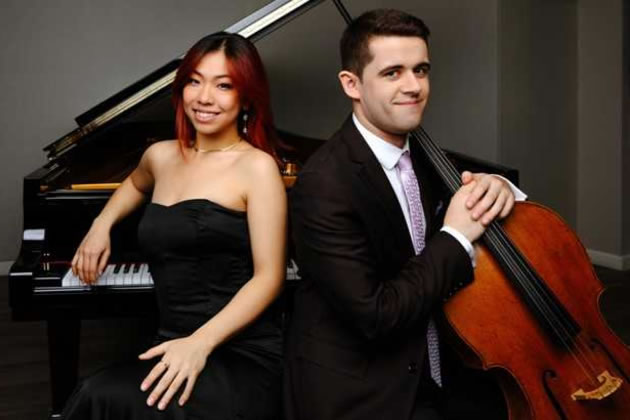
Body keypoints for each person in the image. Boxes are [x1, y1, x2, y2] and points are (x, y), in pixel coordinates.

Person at [283, 9, 526, 420]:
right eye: (392, 73)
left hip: (443, 364)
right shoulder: (323, 184)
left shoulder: (425, 156)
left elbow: (478, 188)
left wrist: (498, 186)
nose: (414, 86)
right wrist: (455, 237)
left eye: (421, 70)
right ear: (352, 84)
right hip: (363, 387)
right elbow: (376, 315)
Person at [62, 32, 286, 419]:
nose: (204, 97)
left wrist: (200, 343)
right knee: (102, 395)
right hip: (171, 341)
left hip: (239, 351)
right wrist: (101, 224)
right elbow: (135, 184)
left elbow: (269, 278)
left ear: (246, 97)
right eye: (194, 81)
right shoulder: (160, 156)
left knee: (99, 396)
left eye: (224, 85)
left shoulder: (257, 168)